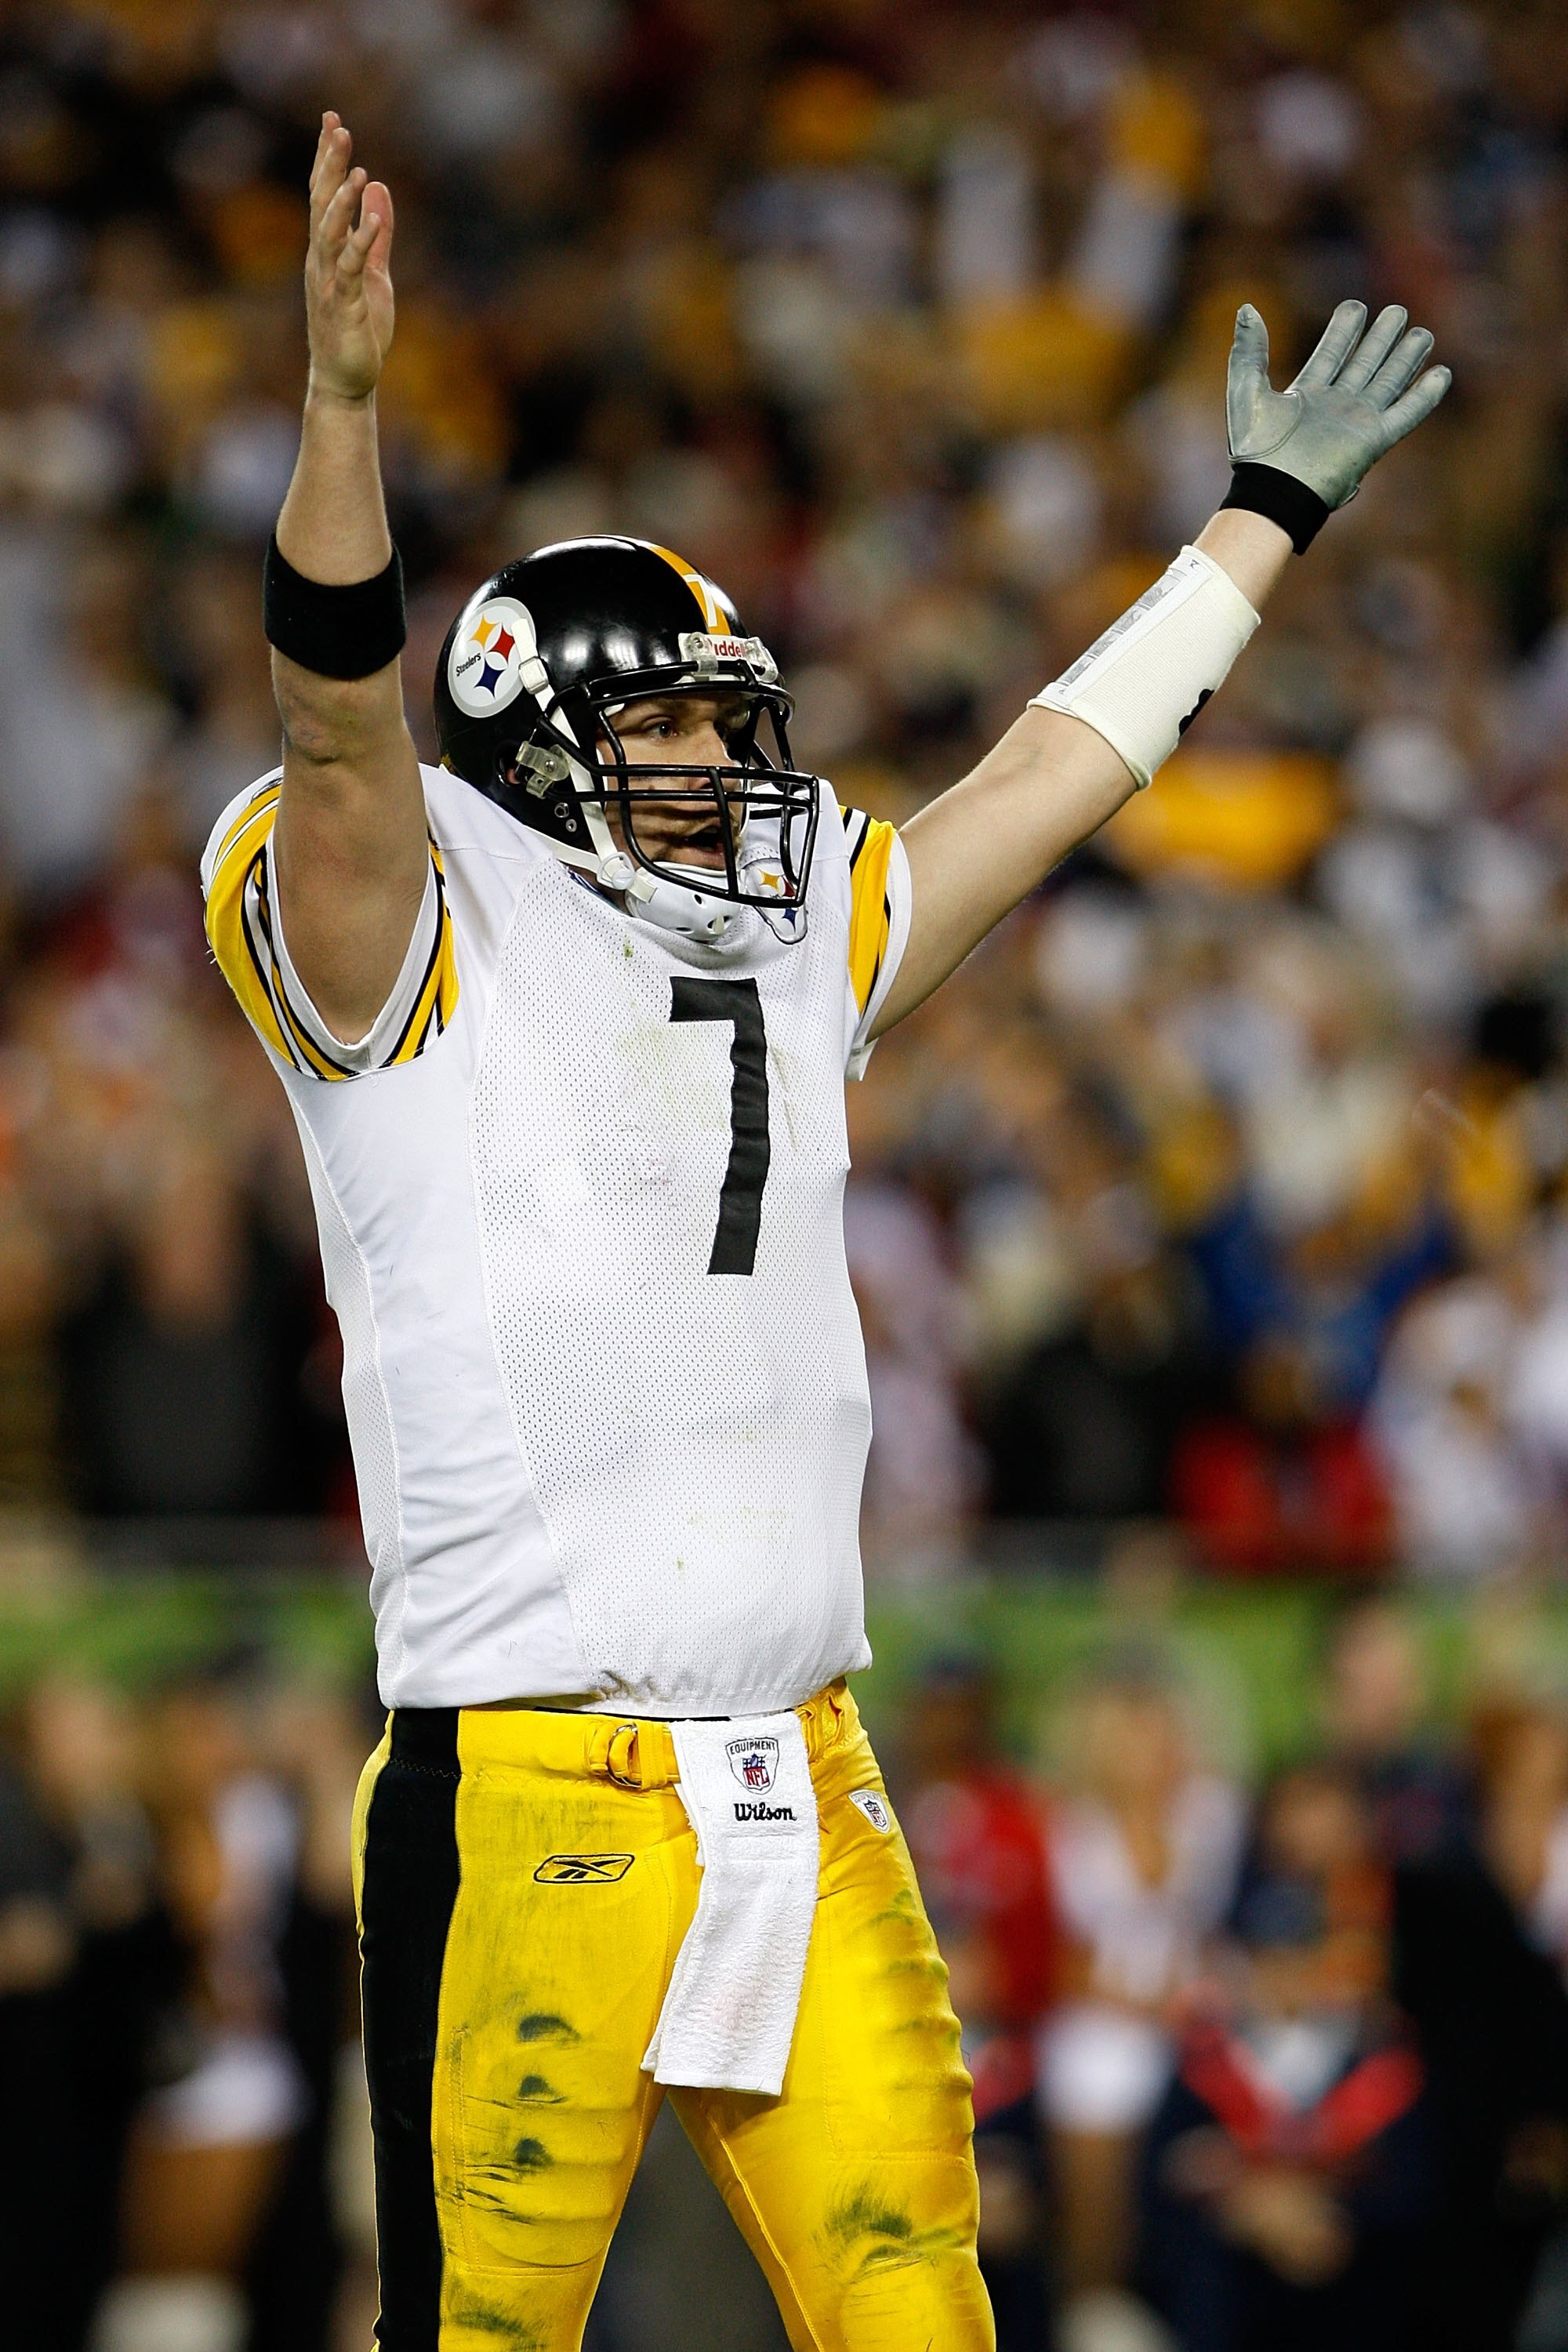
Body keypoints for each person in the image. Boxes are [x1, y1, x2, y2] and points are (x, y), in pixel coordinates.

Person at [198, 110, 1450, 2352]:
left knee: (920, 2310)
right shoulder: (415, 926)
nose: (723, 765)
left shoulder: (790, 924)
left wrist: (1251, 532)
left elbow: (1048, 782)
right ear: (537, 746)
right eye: (670, 724)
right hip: (528, 1776)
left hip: (806, 1763)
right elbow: (333, 719)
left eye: (725, 719)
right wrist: (347, 414)